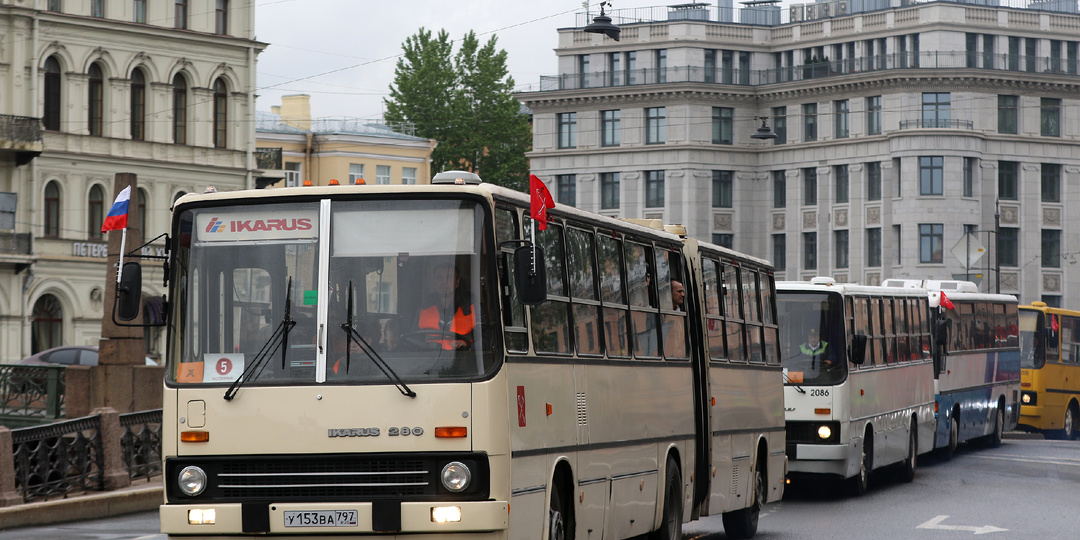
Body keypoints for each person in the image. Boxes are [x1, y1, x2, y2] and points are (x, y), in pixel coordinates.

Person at [416, 262, 475, 350]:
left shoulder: (471, 309)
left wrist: (467, 344)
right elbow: (413, 339)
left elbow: (485, 341)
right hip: (429, 359)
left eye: (448, 277)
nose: (443, 282)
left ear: (457, 282)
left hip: (463, 359)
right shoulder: (423, 309)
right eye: (439, 277)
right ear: (434, 283)